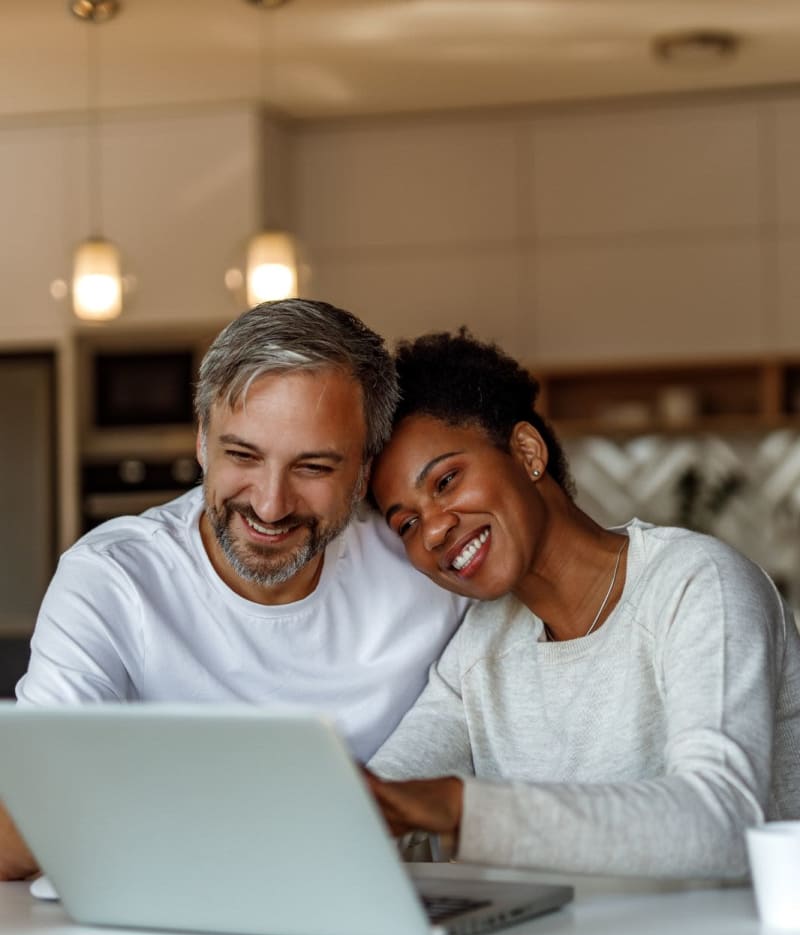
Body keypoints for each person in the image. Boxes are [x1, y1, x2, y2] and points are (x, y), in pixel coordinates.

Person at [0, 299, 469, 881]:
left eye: (314, 468)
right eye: (242, 455)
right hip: (168, 927)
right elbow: (20, 823)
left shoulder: (429, 570)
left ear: (366, 470)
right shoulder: (112, 579)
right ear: (202, 442)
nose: (271, 505)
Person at [366, 330, 800, 879]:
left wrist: (459, 808)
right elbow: (387, 797)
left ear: (527, 452)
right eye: (406, 523)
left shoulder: (696, 585)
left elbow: (722, 820)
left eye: (447, 481)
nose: (433, 531)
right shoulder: (478, 650)